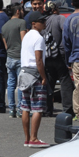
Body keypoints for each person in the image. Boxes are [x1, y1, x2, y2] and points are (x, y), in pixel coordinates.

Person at [19, 12, 50, 148]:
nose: (44, 23)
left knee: (25, 107)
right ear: (33, 23)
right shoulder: (39, 38)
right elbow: (38, 60)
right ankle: (34, 138)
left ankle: (27, 139)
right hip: (34, 74)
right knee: (37, 108)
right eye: (41, 21)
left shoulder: (25, 36)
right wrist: (44, 77)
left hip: (24, 73)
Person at [43, 1, 73, 116]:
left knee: (49, 82)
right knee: (65, 81)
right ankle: (67, 109)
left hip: (46, 56)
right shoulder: (60, 18)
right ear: (55, 9)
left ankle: (47, 109)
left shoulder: (43, 21)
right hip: (59, 55)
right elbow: (66, 33)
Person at [1, 4, 26, 118]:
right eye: (21, 10)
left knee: (11, 84)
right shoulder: (22, 23)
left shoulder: (4, 26)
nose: (23, 12)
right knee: (21, 84)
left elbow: (6, 45)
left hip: (9, 57)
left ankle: (12, 109)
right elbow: (24, 40)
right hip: (20, 57)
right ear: (17, 11)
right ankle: (21, 109)